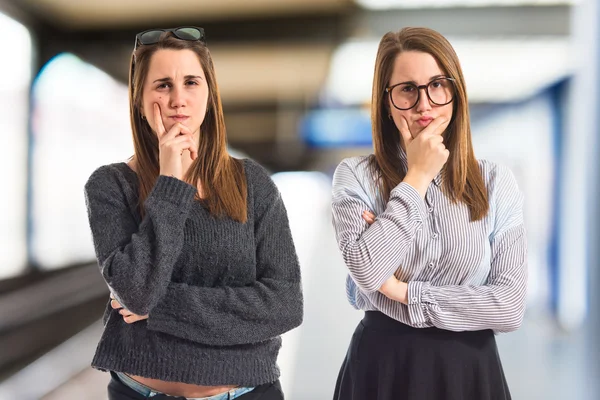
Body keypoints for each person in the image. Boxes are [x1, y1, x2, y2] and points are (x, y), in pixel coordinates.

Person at [84, 27, 303, 400]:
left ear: (209, 94)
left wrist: (162, 307)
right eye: (163, 85)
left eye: (191, 82)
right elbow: (137, 291)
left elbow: (284, 305)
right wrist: (171, 182)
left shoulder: (252, 183)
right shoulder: (110, 186)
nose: (178, 99)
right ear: (139, 99)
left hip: (248, 392)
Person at [331, 27, 527, 400]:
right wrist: (417, 176)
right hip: (382, 368)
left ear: (456, 93)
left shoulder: (495, 181)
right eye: (407, 89)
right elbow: (368, 268)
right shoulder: (356, 176)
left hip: (470, 372)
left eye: (438, 84)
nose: (424, 104)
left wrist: (400, 291)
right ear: (386, 102)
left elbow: (509, 307)